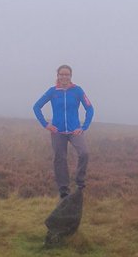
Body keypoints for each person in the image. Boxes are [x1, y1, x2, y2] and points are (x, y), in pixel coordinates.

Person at [33, 64, 94, 198]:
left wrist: (84, 127)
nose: (64, 76)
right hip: (57, 132)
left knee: (84, 153)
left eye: (67, 74)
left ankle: (80, 183)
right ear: (58, 76)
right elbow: (36, 107)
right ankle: (64, 189)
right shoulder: (52, 91)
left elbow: (90, 108)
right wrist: (46, 124)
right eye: (62, 74)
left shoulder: (77, 90)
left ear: (70, 76)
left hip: (75, 131)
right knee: (59, 159)